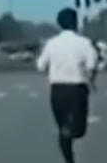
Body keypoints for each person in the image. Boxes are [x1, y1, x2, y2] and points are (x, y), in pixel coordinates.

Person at [37, 8, 99, 163]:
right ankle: (69, 143)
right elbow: (92, 65)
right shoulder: (84, 43)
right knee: (79, 129)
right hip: (77, 89)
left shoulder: (52, 43)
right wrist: (92, 81)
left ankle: (67, 153)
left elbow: (40, 66)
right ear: (76, 23)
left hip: (57, 90)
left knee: (63, 126)